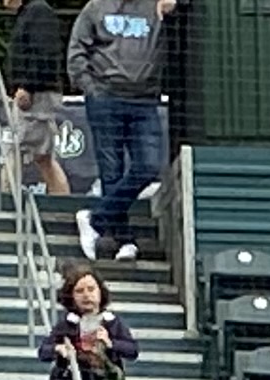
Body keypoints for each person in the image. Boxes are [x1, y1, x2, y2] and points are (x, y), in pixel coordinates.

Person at [67, 0, 171, 266]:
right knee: (110, 171)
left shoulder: (157, 4)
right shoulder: (95, 7)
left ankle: (95, 219)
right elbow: (76, 51)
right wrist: (90, 87)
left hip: (145, 99)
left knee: (148, 166)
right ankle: (124, 240)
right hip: (105, 96)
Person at [2, 0, 76, 203]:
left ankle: (6, 202)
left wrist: (27, 86)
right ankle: (62, 202)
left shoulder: (38, 11)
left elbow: (44, 53)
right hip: (35, 92)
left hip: (36, 94)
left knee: (15, 149)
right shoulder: (31, 13)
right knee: (43, 157)